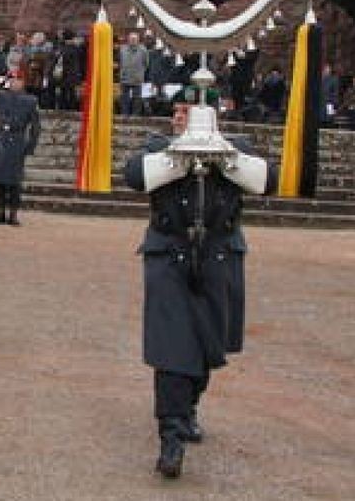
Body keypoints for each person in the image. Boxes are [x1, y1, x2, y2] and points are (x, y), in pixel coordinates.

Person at [123, 87, 275, 479]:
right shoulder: (158, 147)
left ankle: (189, 405)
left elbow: (268, 180)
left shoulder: (236, 146)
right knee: (173, 347)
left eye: (188, 110)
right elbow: (134, 175)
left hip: (218, 257)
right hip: (169, 256)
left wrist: (221, 155)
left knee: (207, 345)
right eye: (176, 111)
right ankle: (170, 438)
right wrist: (181, 157)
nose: (180, 117)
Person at [0, 69, 40, 227]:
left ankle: (13, 214)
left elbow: (36, 126)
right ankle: (0, 212)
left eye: (17, 80)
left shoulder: (30, 100)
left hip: (17, 140)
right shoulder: (2, 97)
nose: (14, 83)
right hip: (1, 140)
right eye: (12, 80)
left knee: (14, 181)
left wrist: (30, 145)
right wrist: (3, 81)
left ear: (23, 82)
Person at [118, 33, 149, 117]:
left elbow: (146, 63)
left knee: (137, 98)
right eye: (131, 39)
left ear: (138, 40)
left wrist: (140, 72)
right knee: (124, 98)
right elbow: (120, 62)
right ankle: (124, 113)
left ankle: (135, 114)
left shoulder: (143, 50)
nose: (133, 41)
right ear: (128, 40)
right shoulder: (122, 49)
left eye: (135, 39)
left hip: (137, 78)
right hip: (125, 77)